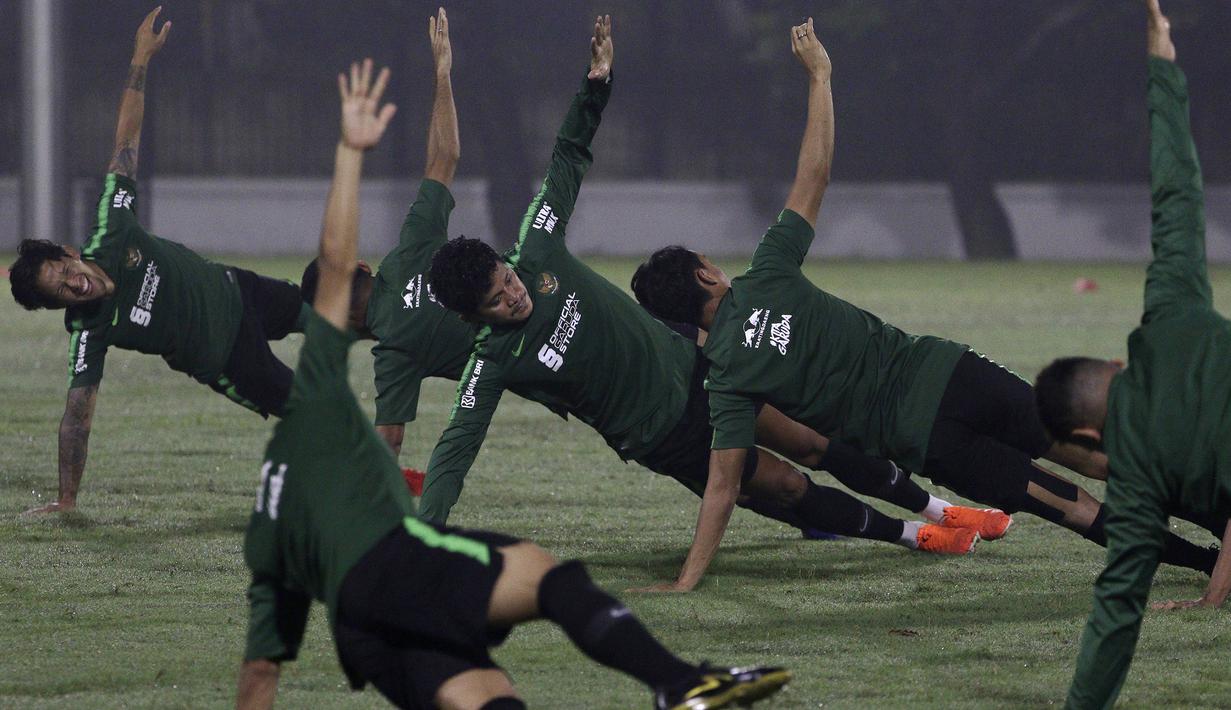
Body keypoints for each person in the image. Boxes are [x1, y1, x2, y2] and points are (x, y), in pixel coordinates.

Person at [235, 29, 790, 709]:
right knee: (549, 583)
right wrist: (352, 151)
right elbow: (424, 449)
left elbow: (261, 672)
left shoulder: (277, 530)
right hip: (505, 391)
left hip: (386, 593)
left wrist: (440, 71)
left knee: (514, 646)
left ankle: (680, 684)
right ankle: (678, 682)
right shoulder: (388, 355)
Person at [629, 17, 1220, 592]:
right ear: (707, 272)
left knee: (1073, 507)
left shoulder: (728, 382)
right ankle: (1220, 509)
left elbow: (723, 488)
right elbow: (815, 173)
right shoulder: (768, 274)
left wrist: (688, 579)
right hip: (952, 373)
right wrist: (820, 79)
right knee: (1097, 453)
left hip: (931, 440)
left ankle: (1206, 564)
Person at [423, 15, 1011, 579]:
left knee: (812, 439)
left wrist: (595, 86)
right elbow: (454, 450)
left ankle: (938, 509)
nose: (513, 295)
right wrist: (424, 537)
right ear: (474, 316)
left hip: (700, 368)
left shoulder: (538, 249)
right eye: (497, 302)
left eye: (508, 280)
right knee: (781, 486)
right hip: (661, 433)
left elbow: (565, 163)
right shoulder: (491, 360)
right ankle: (913, 537)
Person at [9, 8, 308, 514]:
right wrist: (66, 500)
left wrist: (140, 59)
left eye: (64, 270)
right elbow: (77, 416)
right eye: (59, 289)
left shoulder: (110, 229)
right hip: (229, 356)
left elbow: (125, 143)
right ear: (57, 304)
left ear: (69, 254)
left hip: (239, 289)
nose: (72, 283)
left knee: (339, 313)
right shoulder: (90, 330)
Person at [1033, 2, 1230, 706]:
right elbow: (1175, 189)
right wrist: (1160, 62)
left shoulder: (1139, 483)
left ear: (1086, 437)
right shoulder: (1172, 312)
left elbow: (1116, 614)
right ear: (1113, 365)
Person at [297, 6, 474, 458]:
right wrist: (442, 73)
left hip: (541, 365)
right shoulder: (410, 248)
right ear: (361, 266)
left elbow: (389, 441)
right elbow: (445, 158)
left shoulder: (394, 353)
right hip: (546, 291)